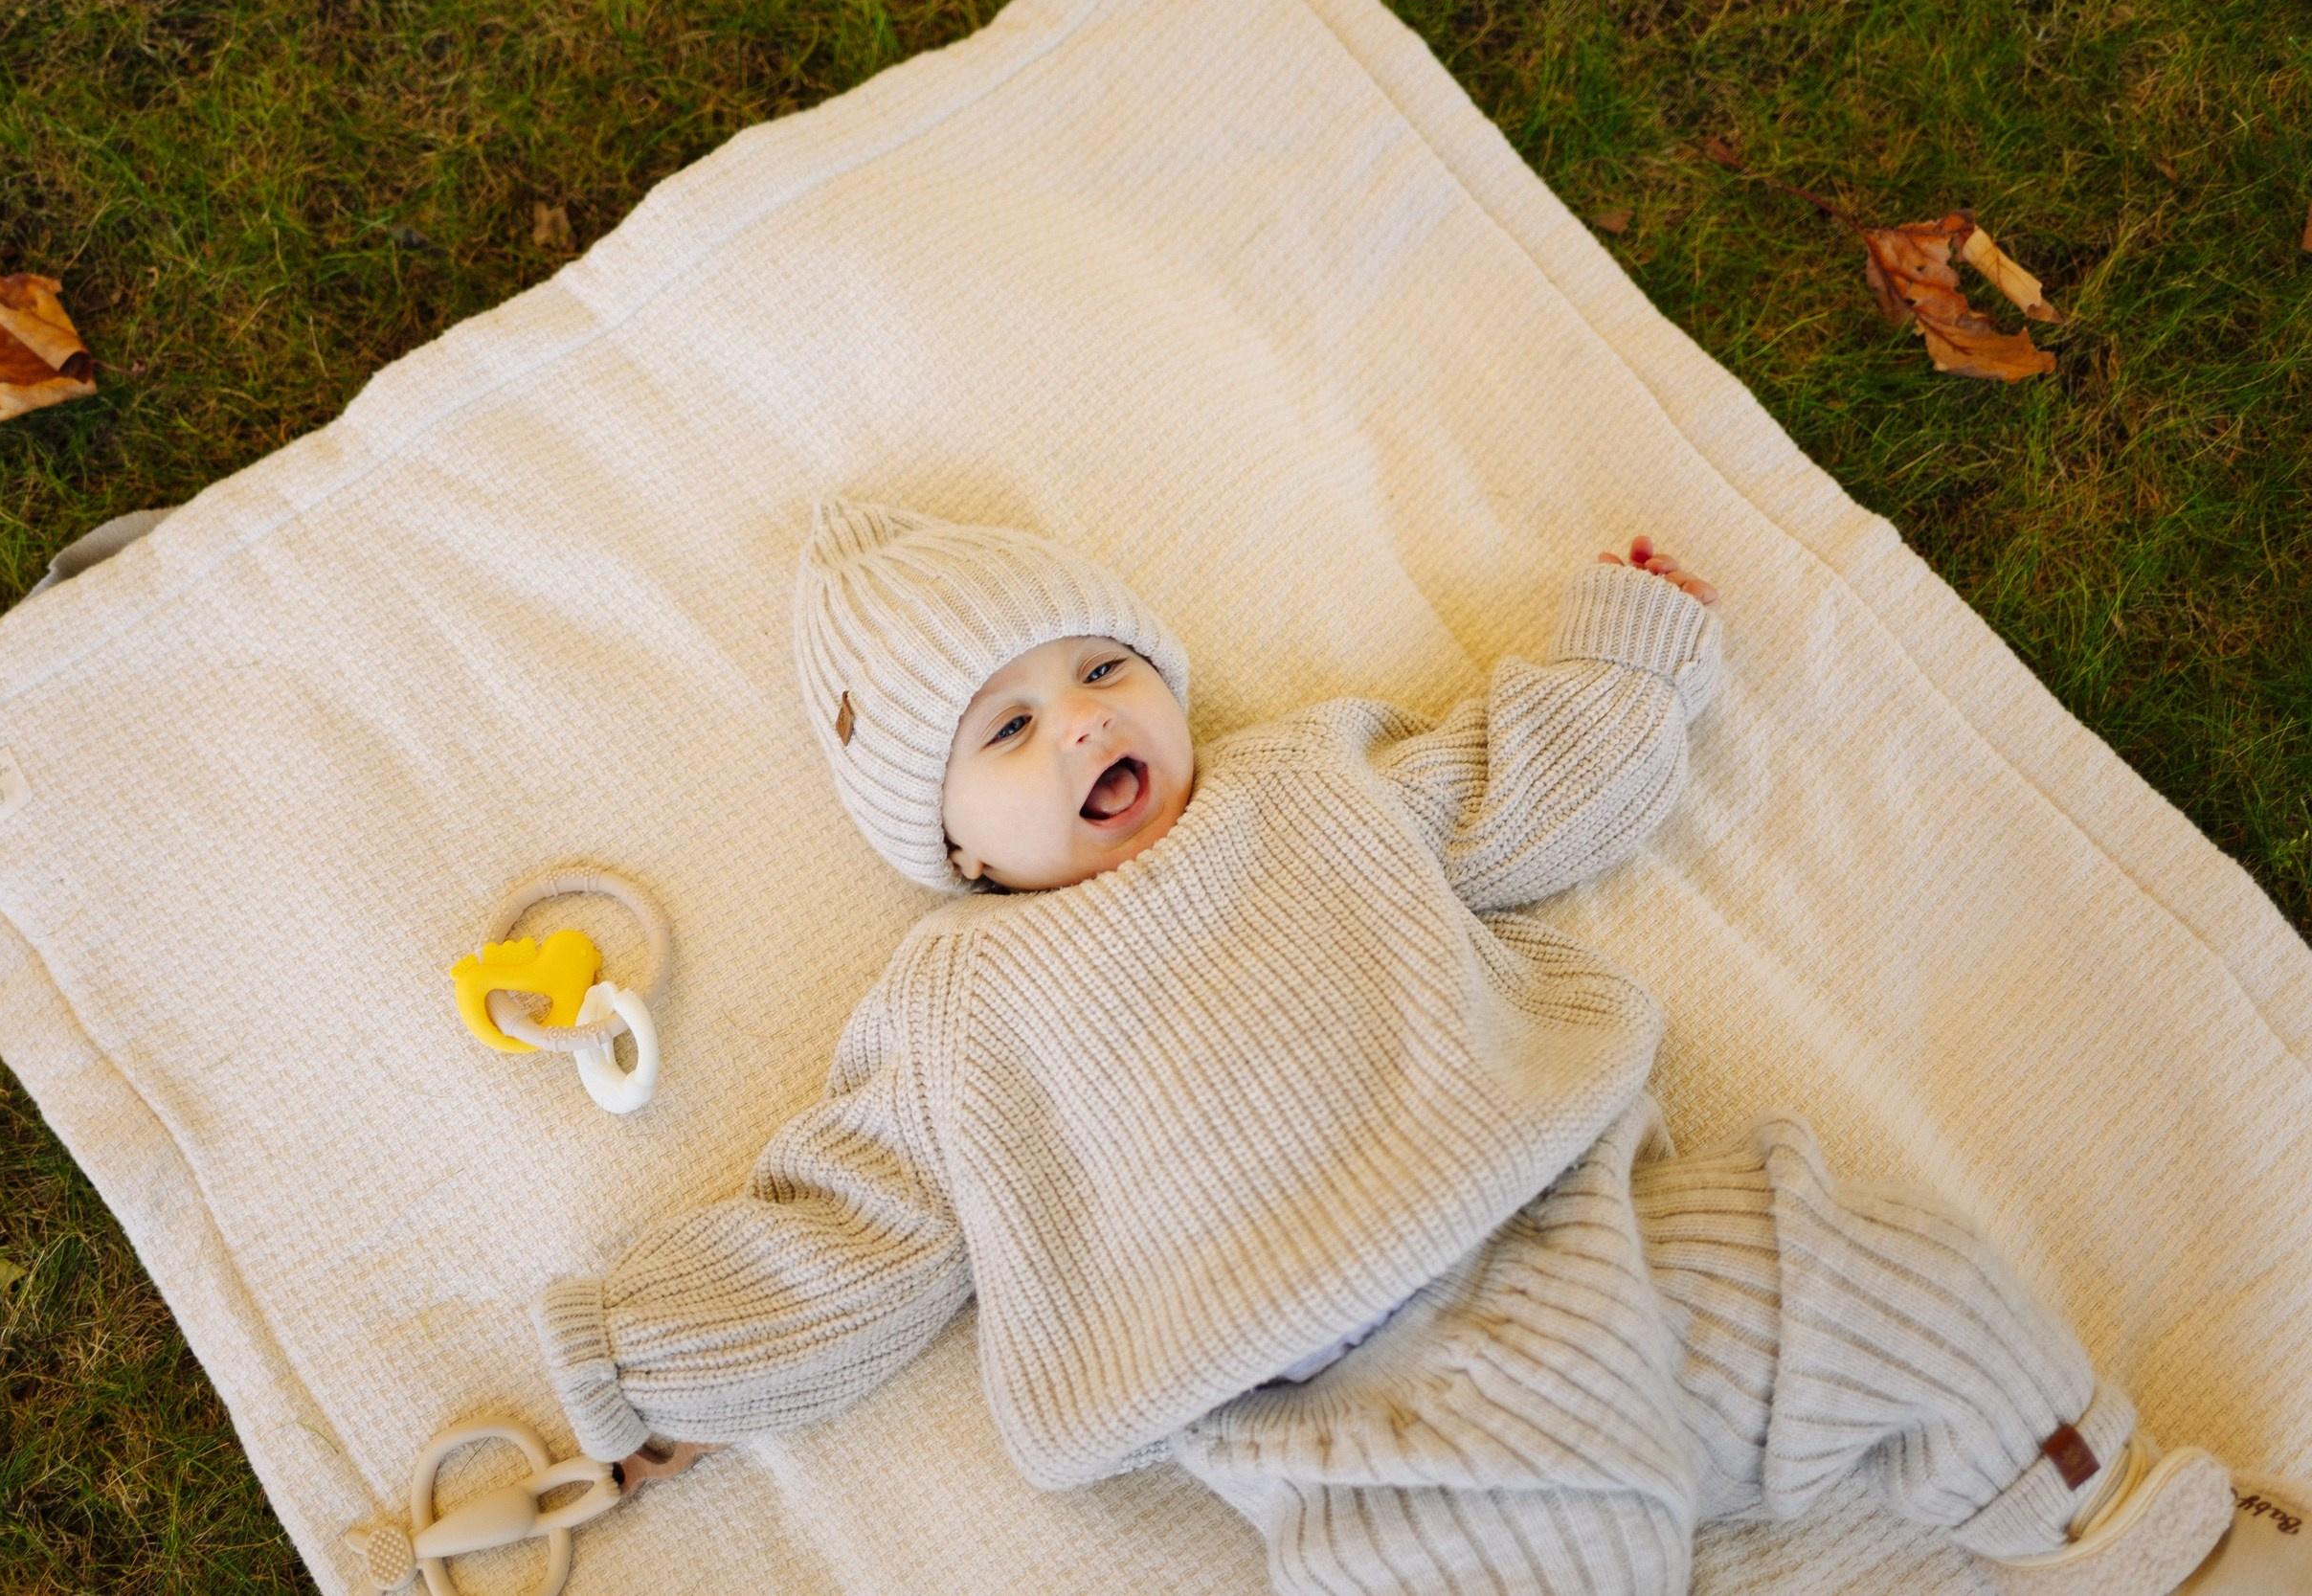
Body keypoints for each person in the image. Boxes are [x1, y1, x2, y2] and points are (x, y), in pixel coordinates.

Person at [534, 498, 2299, 1594]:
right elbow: (849, 1230)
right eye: (1009, 727)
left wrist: (1627, 659)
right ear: (958, 847)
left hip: (1604, 1244)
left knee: (1893, 1292)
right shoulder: (953, 1016)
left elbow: (1522, 794)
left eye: (1100, 671)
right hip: (1359, 1419)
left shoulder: (1314, 790)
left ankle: (2150, 1544)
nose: (1082, 723)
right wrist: (657, 1368)